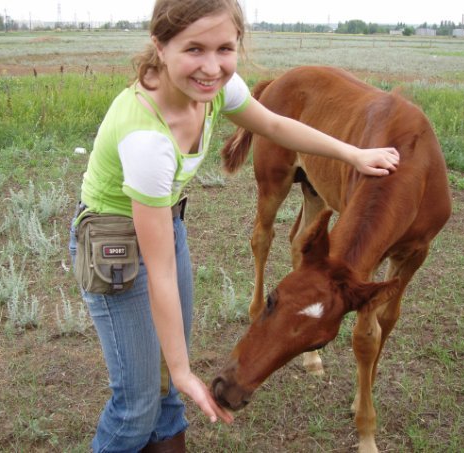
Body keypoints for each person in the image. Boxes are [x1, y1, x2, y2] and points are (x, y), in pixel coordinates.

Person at [69, 0, 400, 451]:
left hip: (166, 225)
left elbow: (276, 124)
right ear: (159, 47)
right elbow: (159, 270)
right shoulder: (146, 140)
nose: (211, 66)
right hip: (115, 244)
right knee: (137, 403)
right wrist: (185, 369)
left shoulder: (215, 86)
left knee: (167, 396)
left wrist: (352, 154)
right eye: (194, 49)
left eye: (225, 48)